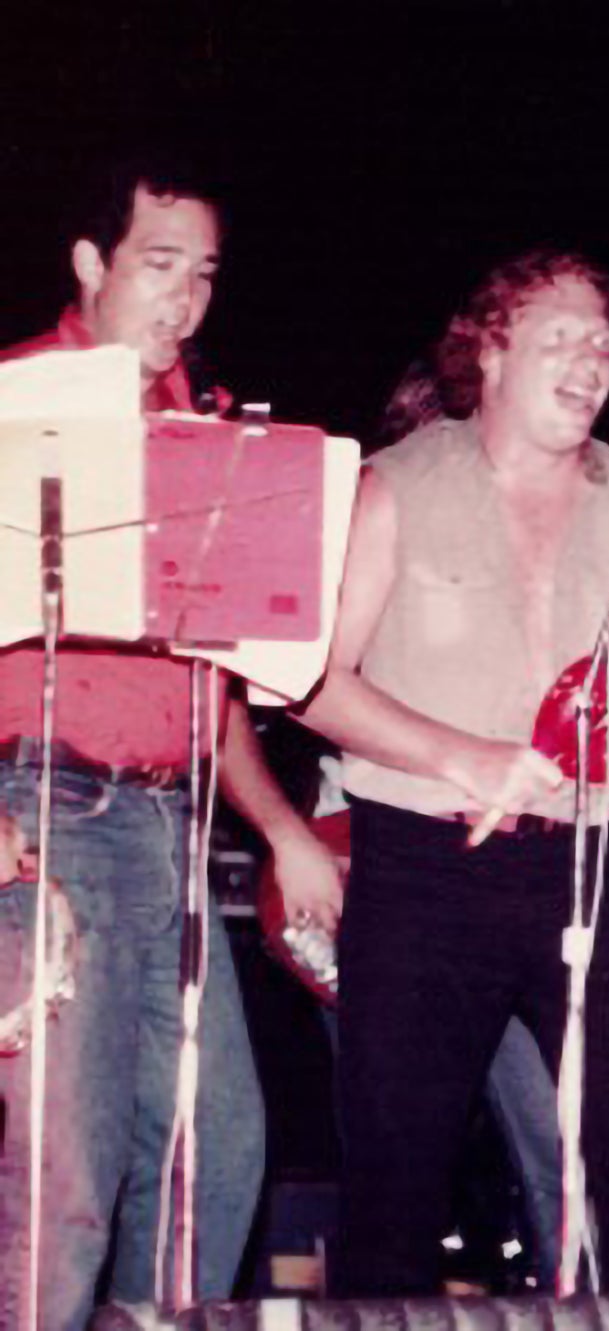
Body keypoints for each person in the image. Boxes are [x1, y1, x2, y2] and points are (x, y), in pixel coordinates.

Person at [300, 250, 609, 1295]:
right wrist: (460, 751)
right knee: (398, 1181)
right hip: (421, 864)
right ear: (489, 352)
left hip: (582, 862)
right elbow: (310, 685)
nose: (588, 362)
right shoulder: (393, 486)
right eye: (558, 338)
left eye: (601, 343)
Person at [0, 160, 340, 1330]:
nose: (184, 298)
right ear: (91, 266)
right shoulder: (16, 403)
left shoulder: (205, 429)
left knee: (217, 1154)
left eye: (203, 274)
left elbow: (216, 685)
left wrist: (286, 830)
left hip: (169, 825)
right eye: (159, 265)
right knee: (67, 1182)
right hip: (47, 809)